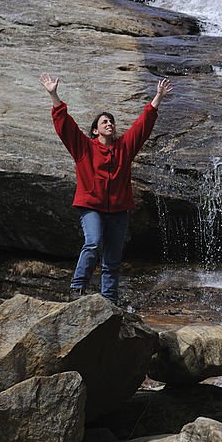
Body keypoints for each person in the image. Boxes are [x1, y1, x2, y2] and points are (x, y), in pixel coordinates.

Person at [40, 72, 173, 303]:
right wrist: (54, 95)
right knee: (93, 242)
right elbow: (65, 127)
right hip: (91, 206)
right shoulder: (84, 148)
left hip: (119, 210)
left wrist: (158, 98)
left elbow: (142, 127)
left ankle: (109, 301)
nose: (109, 123)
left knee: (112, 259)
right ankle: (77, 287)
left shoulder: (124, 148)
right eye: (104, 122)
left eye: (111, 121)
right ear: (95, 130)